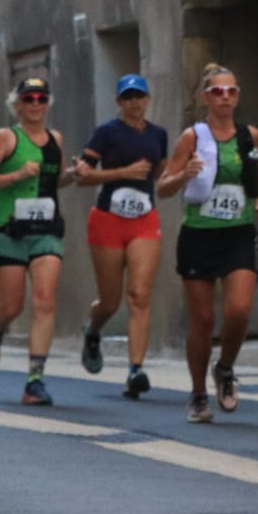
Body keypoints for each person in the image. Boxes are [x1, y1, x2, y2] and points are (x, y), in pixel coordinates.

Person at [160, 64, 258, 425]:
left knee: (239, 310)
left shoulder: (250, 135)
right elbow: (162, 187)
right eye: (217, 92)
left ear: (237, 96)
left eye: (231, 91)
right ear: (205, 97)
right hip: (199, 234)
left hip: (238, 231)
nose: (225, 97)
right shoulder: (192, 137)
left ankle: (224, 368)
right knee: (204, 320)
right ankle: (197, 394)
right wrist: (184, 175)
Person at [0, 76, 75, 406]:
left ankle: (35, 380)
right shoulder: (6, 138)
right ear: (17, 104)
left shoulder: (56, 139)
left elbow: (56, 180)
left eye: (41, 98)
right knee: (12, 306)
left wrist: (73, 175)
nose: (35, 104)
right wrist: (17, 175)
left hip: (45, 229)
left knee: (45, 300)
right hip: (9, 230)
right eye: (28, 98)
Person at [74, 74, 170, 400]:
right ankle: (93, 329)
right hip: (108, 220)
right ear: (119, 102)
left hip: (144, 219)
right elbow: (84, 176)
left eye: (139, 96)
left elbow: (162, 176)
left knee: (139, 295)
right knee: (111, 301)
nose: (134, 102)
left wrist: (184, 174)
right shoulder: (106, 133)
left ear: (147, 99)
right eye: (128, 97)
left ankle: (135, 371)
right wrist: (122, 173)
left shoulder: (158, 135)